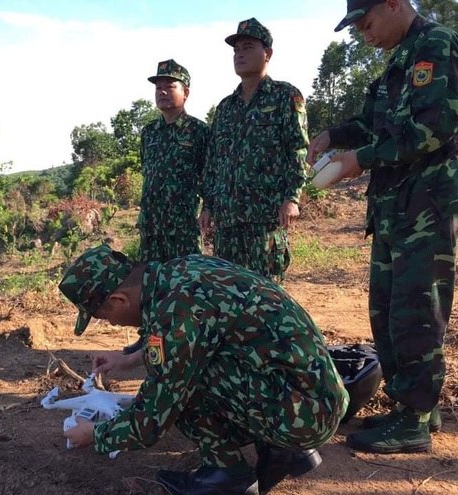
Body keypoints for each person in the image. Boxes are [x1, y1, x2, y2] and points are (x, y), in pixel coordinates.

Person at [307, 0, 458, 454]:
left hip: (427, 202)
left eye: (367, 23)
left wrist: (358, 159)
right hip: (393, 206)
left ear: (395, 4)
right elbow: (372, 124)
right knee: (387, 310)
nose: (365, 34)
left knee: (416, 311)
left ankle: (414, 420)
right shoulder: (396, 62)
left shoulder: (436, 46)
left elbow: (433, 127)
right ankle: (413, 407)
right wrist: (336, 136)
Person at [59, 244, 349, 495]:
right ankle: (282, 451)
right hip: (309, 391)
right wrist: (131, 358)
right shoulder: (178, 273)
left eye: (104, 316)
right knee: (187, 363)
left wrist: (96, 435)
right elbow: (186, 329)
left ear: (119, 299)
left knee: (180, 387)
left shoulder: (176, 308)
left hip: (307, 415)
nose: (112, 324)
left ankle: (226, 475)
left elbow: (151, 419)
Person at [199, 18, 308, 283]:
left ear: (267, 53)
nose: (239, 54)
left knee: (266, 294)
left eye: (247, 47)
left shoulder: (285, 96)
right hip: (227, 222)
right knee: (229, 293)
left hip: (265, 219)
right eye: (236, 50)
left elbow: (298, 149)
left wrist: (291, 197)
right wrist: (208, 205)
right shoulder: (225, 107)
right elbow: (214, 161)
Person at [139, 59, 209, 263]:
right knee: (150, 285)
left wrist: (207, 209)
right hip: (150, 227)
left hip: (183, 227)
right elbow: (147, 172)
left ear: (185, 92)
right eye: (158, 88)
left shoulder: (199, 131)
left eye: (170, 86)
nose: (162, 92)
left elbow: (209, 176)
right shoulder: (149, 132)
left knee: (185, 286)